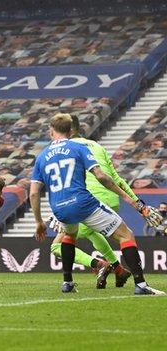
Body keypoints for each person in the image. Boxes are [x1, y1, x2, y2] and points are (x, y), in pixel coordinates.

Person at [30, 113, 164, 295]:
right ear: (71, 131)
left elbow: (33, 192)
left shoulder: (41, 156)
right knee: (126, 235)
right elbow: (102, 176)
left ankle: (68, 283)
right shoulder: (80, 147)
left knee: (69, 236)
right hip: (83, 202)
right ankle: (141, 285)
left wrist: (38, 222)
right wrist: (132, 201)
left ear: (50, 131)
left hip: (59, 207)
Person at [49, 115, 145, 289]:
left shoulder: (67, 150)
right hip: (111, 196)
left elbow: (65, 181)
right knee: (94, 233)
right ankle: (118, 270)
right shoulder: (97, 146)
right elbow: (116, 178)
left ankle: (99, 265)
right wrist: (137, 202)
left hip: (85, 200)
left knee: (57, 246)